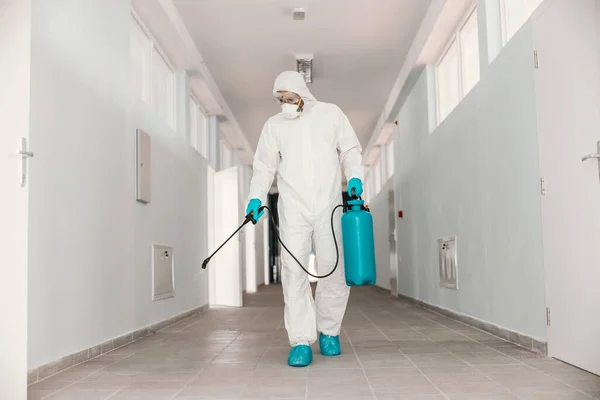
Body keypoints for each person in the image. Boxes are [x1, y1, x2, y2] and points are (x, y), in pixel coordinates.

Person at [246, 71, 364, 367]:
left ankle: (329, 331)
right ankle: (300, 340)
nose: (284, 103)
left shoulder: (330, 114)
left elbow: (350, 148)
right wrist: (256, 196)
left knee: (333, 268)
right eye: (279, 99)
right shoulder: (274, 126)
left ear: (301, 92)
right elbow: (263, 165)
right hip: (293, 208)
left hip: (329, 206)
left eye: (288, 97)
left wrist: (355, 178)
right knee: (293, 272)